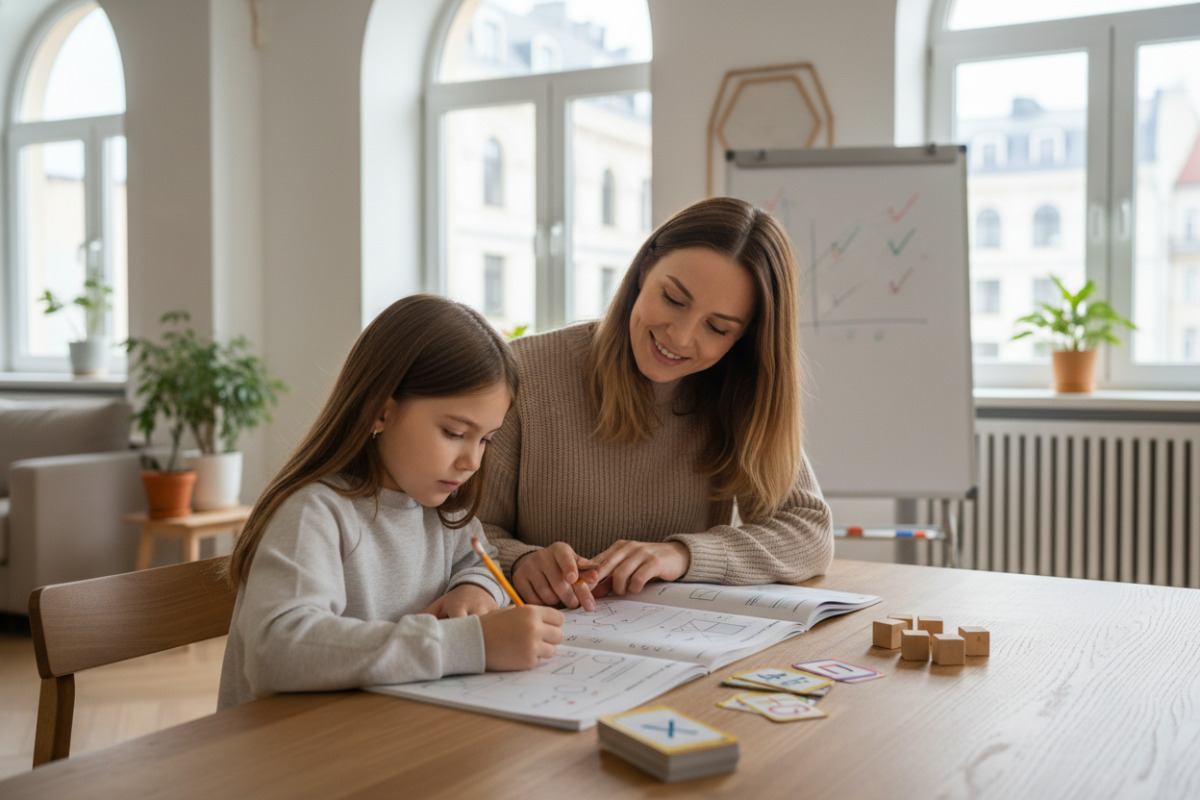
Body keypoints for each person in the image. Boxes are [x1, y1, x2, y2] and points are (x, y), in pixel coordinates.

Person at [479, 196, 834, 612]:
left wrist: (682, 555)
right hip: (538, 641)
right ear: (645, 268)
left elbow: (809, 532)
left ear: (745, 338)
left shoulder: (736, 392)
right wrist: (518, 560)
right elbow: (458, 529)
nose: (681, 338)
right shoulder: (523, 373)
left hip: (673, 648)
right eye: (673, 299)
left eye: (717, 328)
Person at [218, 295, 564, 710]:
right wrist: (468, 644)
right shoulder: (313, 513)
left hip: (387, 732)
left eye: (486, 439)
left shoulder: (444, 508)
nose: (472, 460)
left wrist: (477, 589)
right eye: (455, 432)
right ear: (379, 412)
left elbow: (479, 560)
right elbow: (277, 649)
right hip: (289, 756)